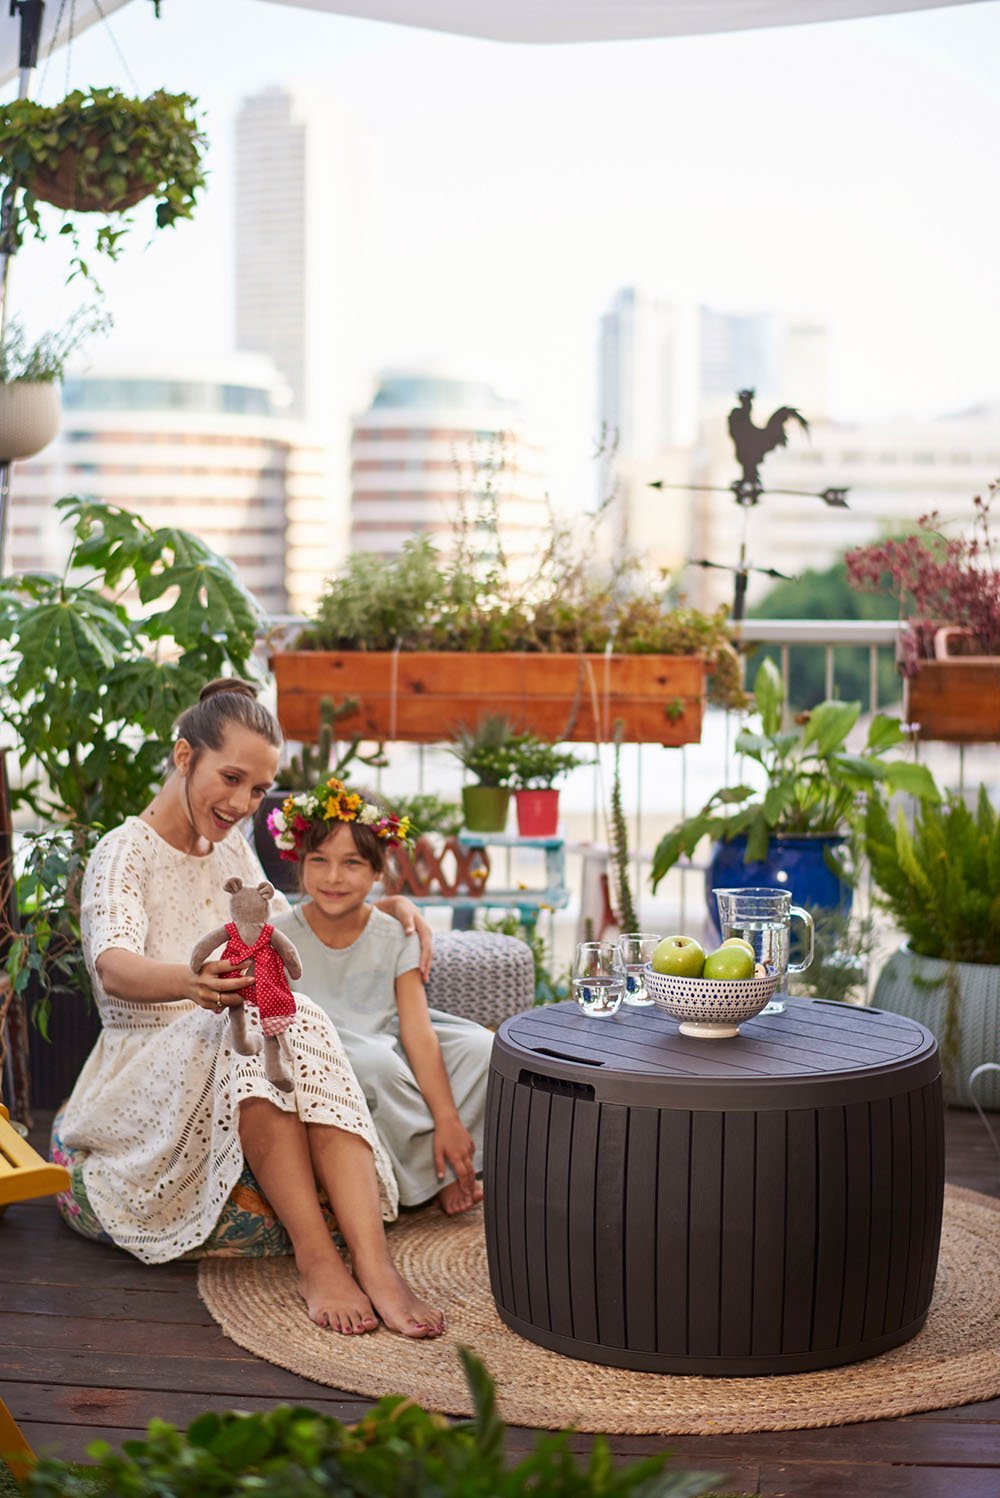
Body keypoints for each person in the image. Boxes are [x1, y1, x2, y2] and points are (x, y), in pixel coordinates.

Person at [58, 679, 443, 1339]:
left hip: (228, 1039)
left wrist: (384, 909)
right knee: (251, 1021)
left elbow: (293, 928)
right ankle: (318, 1257)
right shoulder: (124, 851)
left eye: (258, 790)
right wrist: (191, 979)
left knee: (281, 1014)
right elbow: (112, 965)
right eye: (230, 778)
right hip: (143, 1066)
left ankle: (374, 1265)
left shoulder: (229, 847)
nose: (240, 803)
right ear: (185, 757)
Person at [269, 777, 494, 1216]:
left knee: (481, 1050)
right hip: (326, 1048)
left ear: (377, 872)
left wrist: (449, 1115)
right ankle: (431, 1180)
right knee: (378, 1066)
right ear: (301, 864)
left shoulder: (395, 932)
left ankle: (449, 1159)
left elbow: (417, 1030)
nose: (333, 877)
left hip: (389, 1034)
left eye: (352, 863)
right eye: (319, 860)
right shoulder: (279, 934)